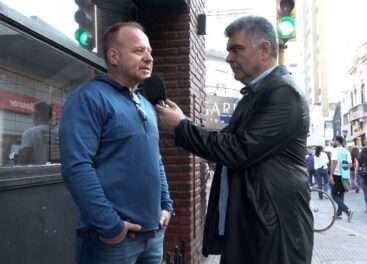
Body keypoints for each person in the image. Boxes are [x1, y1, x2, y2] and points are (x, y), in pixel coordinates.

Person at [156, 16, 313, 264]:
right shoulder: (256, 94)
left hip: (273, 232)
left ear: (265, 50)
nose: (229, 57)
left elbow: (238, 150)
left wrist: (181, 127)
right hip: (254, 227)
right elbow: (225, 142)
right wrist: (183, 122)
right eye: (229, 50)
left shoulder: (284, 93)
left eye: (236, 49)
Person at [59, 22, 173, 264]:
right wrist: (111, 226)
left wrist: (166, 205)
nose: (149, 58)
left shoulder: (145, 104)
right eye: (139, 51)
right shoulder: (88, 98)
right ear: (113, 56)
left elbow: (156, 160)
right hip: (112, 242)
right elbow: (77, 166)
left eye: (150, 52)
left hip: (153, 236)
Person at [329, 136, 354, 221]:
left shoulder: (335, 151)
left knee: (334, 195)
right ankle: (339, 213)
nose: (333, 142)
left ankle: (347, 210)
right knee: (341, 194)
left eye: (334, 140)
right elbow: (350, 164)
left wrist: (331, 174)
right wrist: (343, 168)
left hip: (336, 174)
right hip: (344, 175)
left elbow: (334, 162)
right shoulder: (346, 151)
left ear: (337, 141)